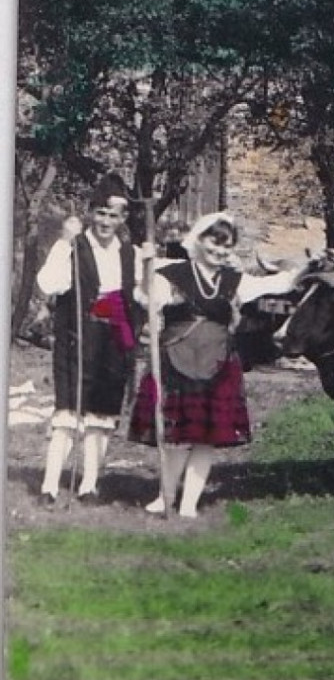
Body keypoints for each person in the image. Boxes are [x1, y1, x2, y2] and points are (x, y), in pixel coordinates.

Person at [129, 212, 254, 518]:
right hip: (178, 362)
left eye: (227, 245)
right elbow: (147, 297)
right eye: (215, 241)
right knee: (178, 438)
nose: (220, 250)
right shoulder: (171, 274)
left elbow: (272, 285)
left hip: (218, 365)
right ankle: (166, 495)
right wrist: (148, 272)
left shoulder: (234, 279)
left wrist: (307, 270)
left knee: (207, 438)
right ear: (198, 241)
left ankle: (188, 505)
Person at [35, 173, 142, 505]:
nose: (106, 221)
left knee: (102, 413)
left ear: (123, 219)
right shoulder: (74, 247)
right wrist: (65, 242)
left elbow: (140, 295)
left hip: (115, 338)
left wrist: (151, 268)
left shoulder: (130, 253)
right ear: (90, 212)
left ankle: (89, 484)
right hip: (78, 335)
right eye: (100, 213)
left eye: (114, 215)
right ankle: (50, 486)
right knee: (69, 411)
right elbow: (49, 285)